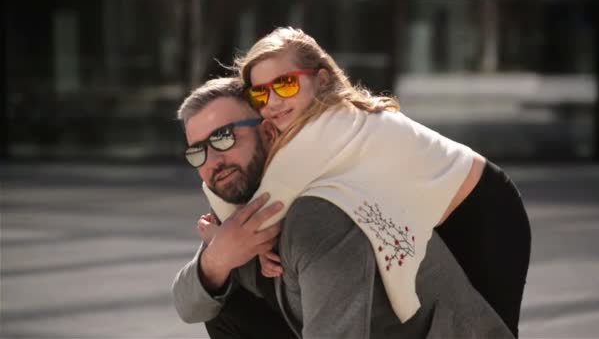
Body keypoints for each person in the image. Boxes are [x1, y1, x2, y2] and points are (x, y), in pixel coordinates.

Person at [208, 27, 530, 336]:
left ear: (321, 80)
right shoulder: (308, 125)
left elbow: (258, 211)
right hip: (442, 214)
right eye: (260, 93)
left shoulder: (328, 127)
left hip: (486, 214)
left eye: (286, 84)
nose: (273, 101)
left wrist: (225, 237)